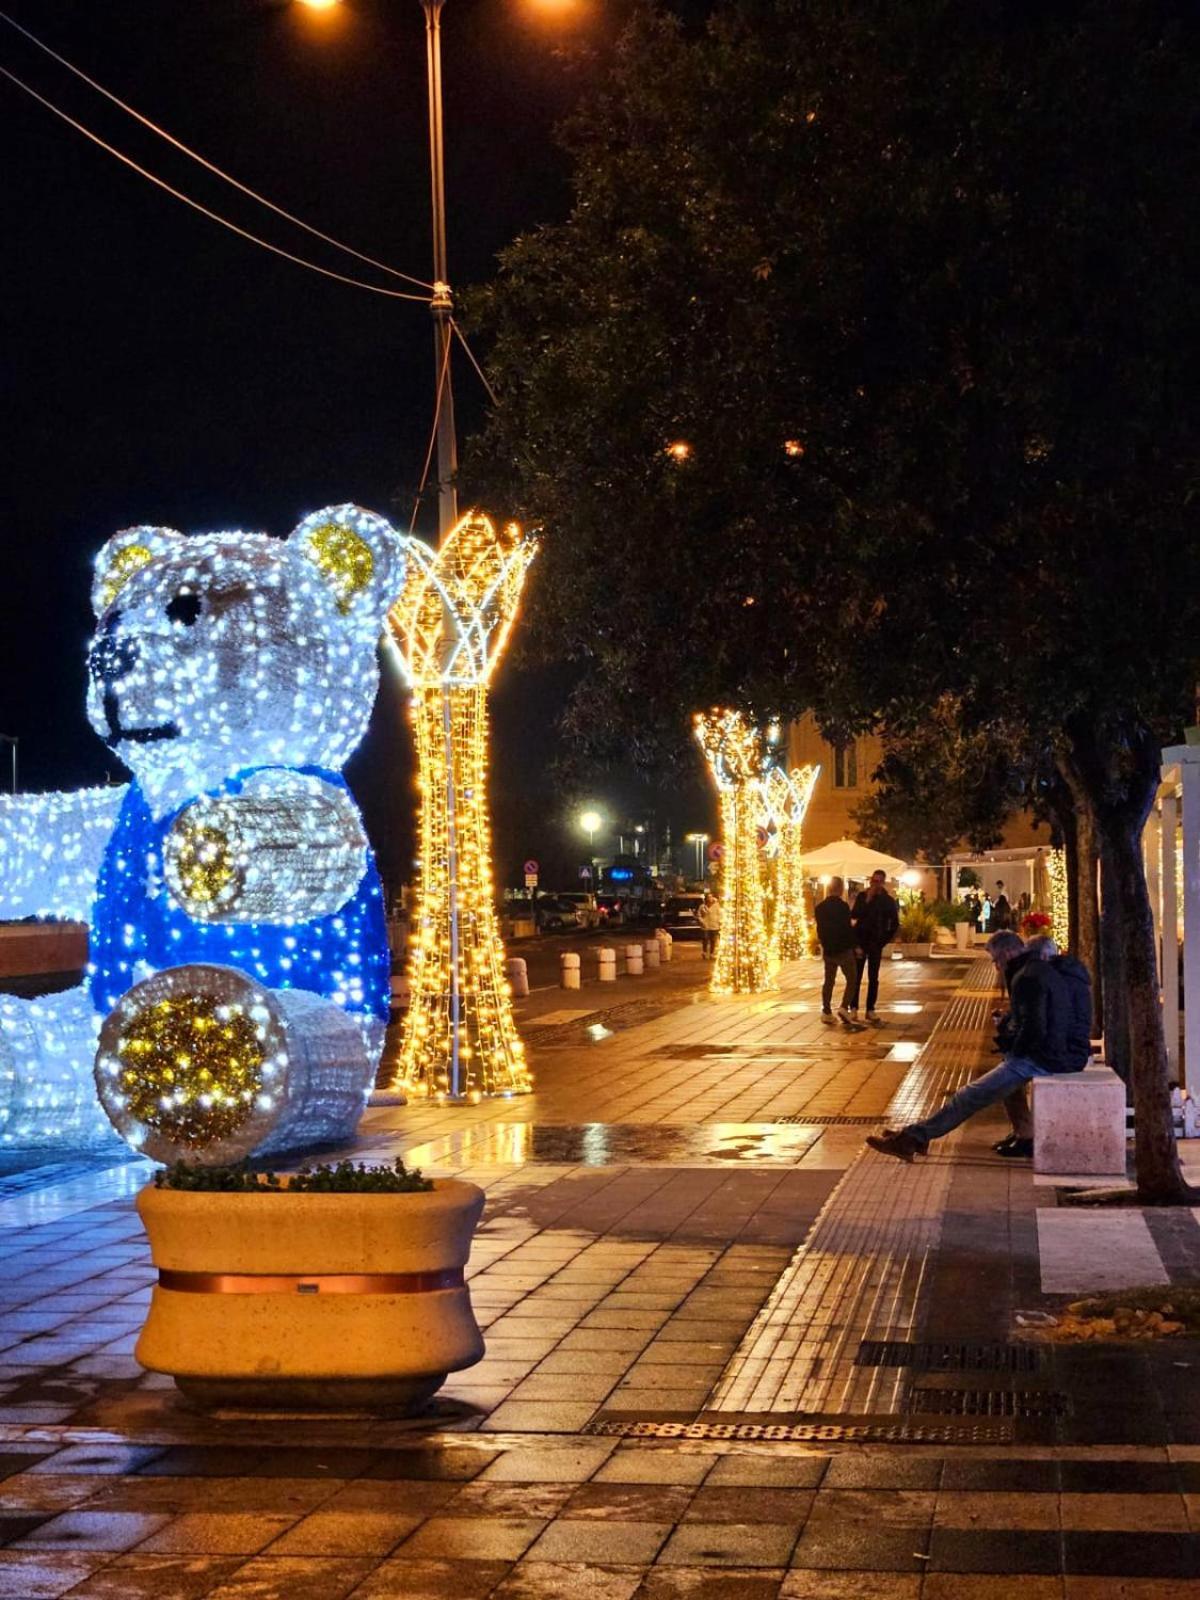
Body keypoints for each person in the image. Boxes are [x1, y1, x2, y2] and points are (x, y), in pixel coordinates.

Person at [866, 934, 1093, 1162]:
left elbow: (1035, 1026)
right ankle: (1023, 1135)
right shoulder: (1037, 970)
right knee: (1002, 1076)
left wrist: (1015, 1050)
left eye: (995, 960)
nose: (995, 966)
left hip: (1046, 1058)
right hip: (1054, 1053)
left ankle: (912, 1139)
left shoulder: (1028, 977)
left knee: (969, 1095)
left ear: (1007, 954)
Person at [850, 869, 900, 1024]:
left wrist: (883, 940)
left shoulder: (887, 901)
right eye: (873, 881)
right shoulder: (862, 897)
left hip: (875, 943)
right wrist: (867, 900)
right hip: (861, 941)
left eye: (878, 881)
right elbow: (855, 915)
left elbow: (894, 923)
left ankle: (870, 1009)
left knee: (873, 977)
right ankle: (853, 1008)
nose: (875, 884)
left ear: (883, 882)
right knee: (856, 976)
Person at [814, 876, 861, 1024]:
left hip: (829, 949)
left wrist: (824, 943)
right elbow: (846, 929)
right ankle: (843, 1007)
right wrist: (855, 946)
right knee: (852, 978)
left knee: (829, 981)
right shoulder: (843, 906)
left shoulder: (820, 908)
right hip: (843, 949)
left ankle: (826, 1011)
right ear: (840, 889)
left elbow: (820, 930)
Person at [696, 890, 722, 958]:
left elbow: (720, 914)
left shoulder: (716, 905)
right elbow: (699, 915)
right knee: (705, 939)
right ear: (706, 898)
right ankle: (704, 952)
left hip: (714, 925)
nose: (710, 898)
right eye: (708, 897)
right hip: (705, 926)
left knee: (713, 940)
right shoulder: (702, 906)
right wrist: (702, 922)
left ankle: (712, 953)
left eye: (711, 897)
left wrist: (719, 922)